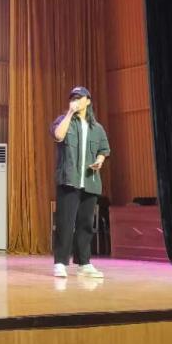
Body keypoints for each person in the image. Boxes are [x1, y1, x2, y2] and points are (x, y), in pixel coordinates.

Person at [51, 86, 110, 279]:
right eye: (73, 98)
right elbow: (58, 135)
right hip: (69, 180)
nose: (75, 100)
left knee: (85, 224)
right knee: (65, 223)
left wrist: (100, 160)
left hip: (90, 181)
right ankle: (60, 263)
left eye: (79, 97)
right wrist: (69, 113)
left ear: (88, 101)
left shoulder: (97, 128)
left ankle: (84, 263)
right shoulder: (63, 120)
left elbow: (104, 150)